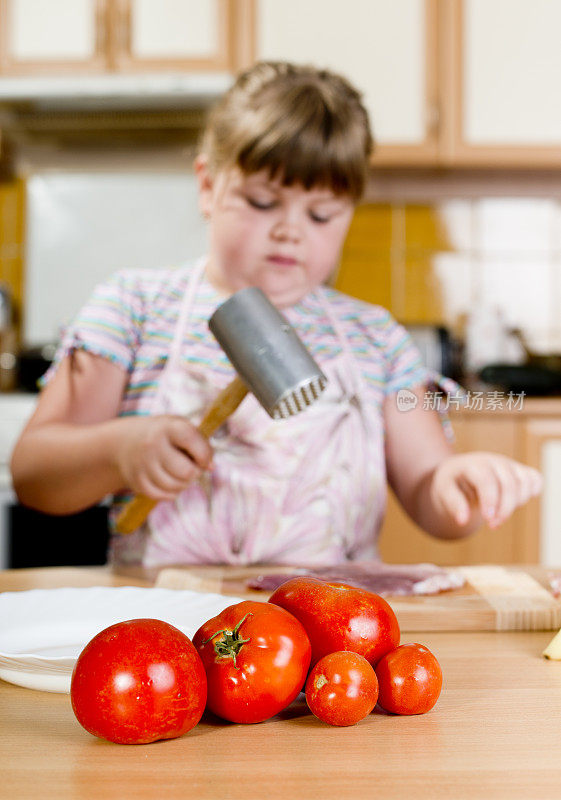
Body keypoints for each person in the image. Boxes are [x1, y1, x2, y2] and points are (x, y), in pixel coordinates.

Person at [10, 61, 542, 567]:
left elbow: (428, 484)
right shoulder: (133, 311)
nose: (290, 230)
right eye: (263, 202)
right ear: (207, 187)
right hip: (169, 630)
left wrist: (459, 484)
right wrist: (118, 450)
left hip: (328, 631)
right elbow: (33, 473)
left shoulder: (376, 339)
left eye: (321, 214)